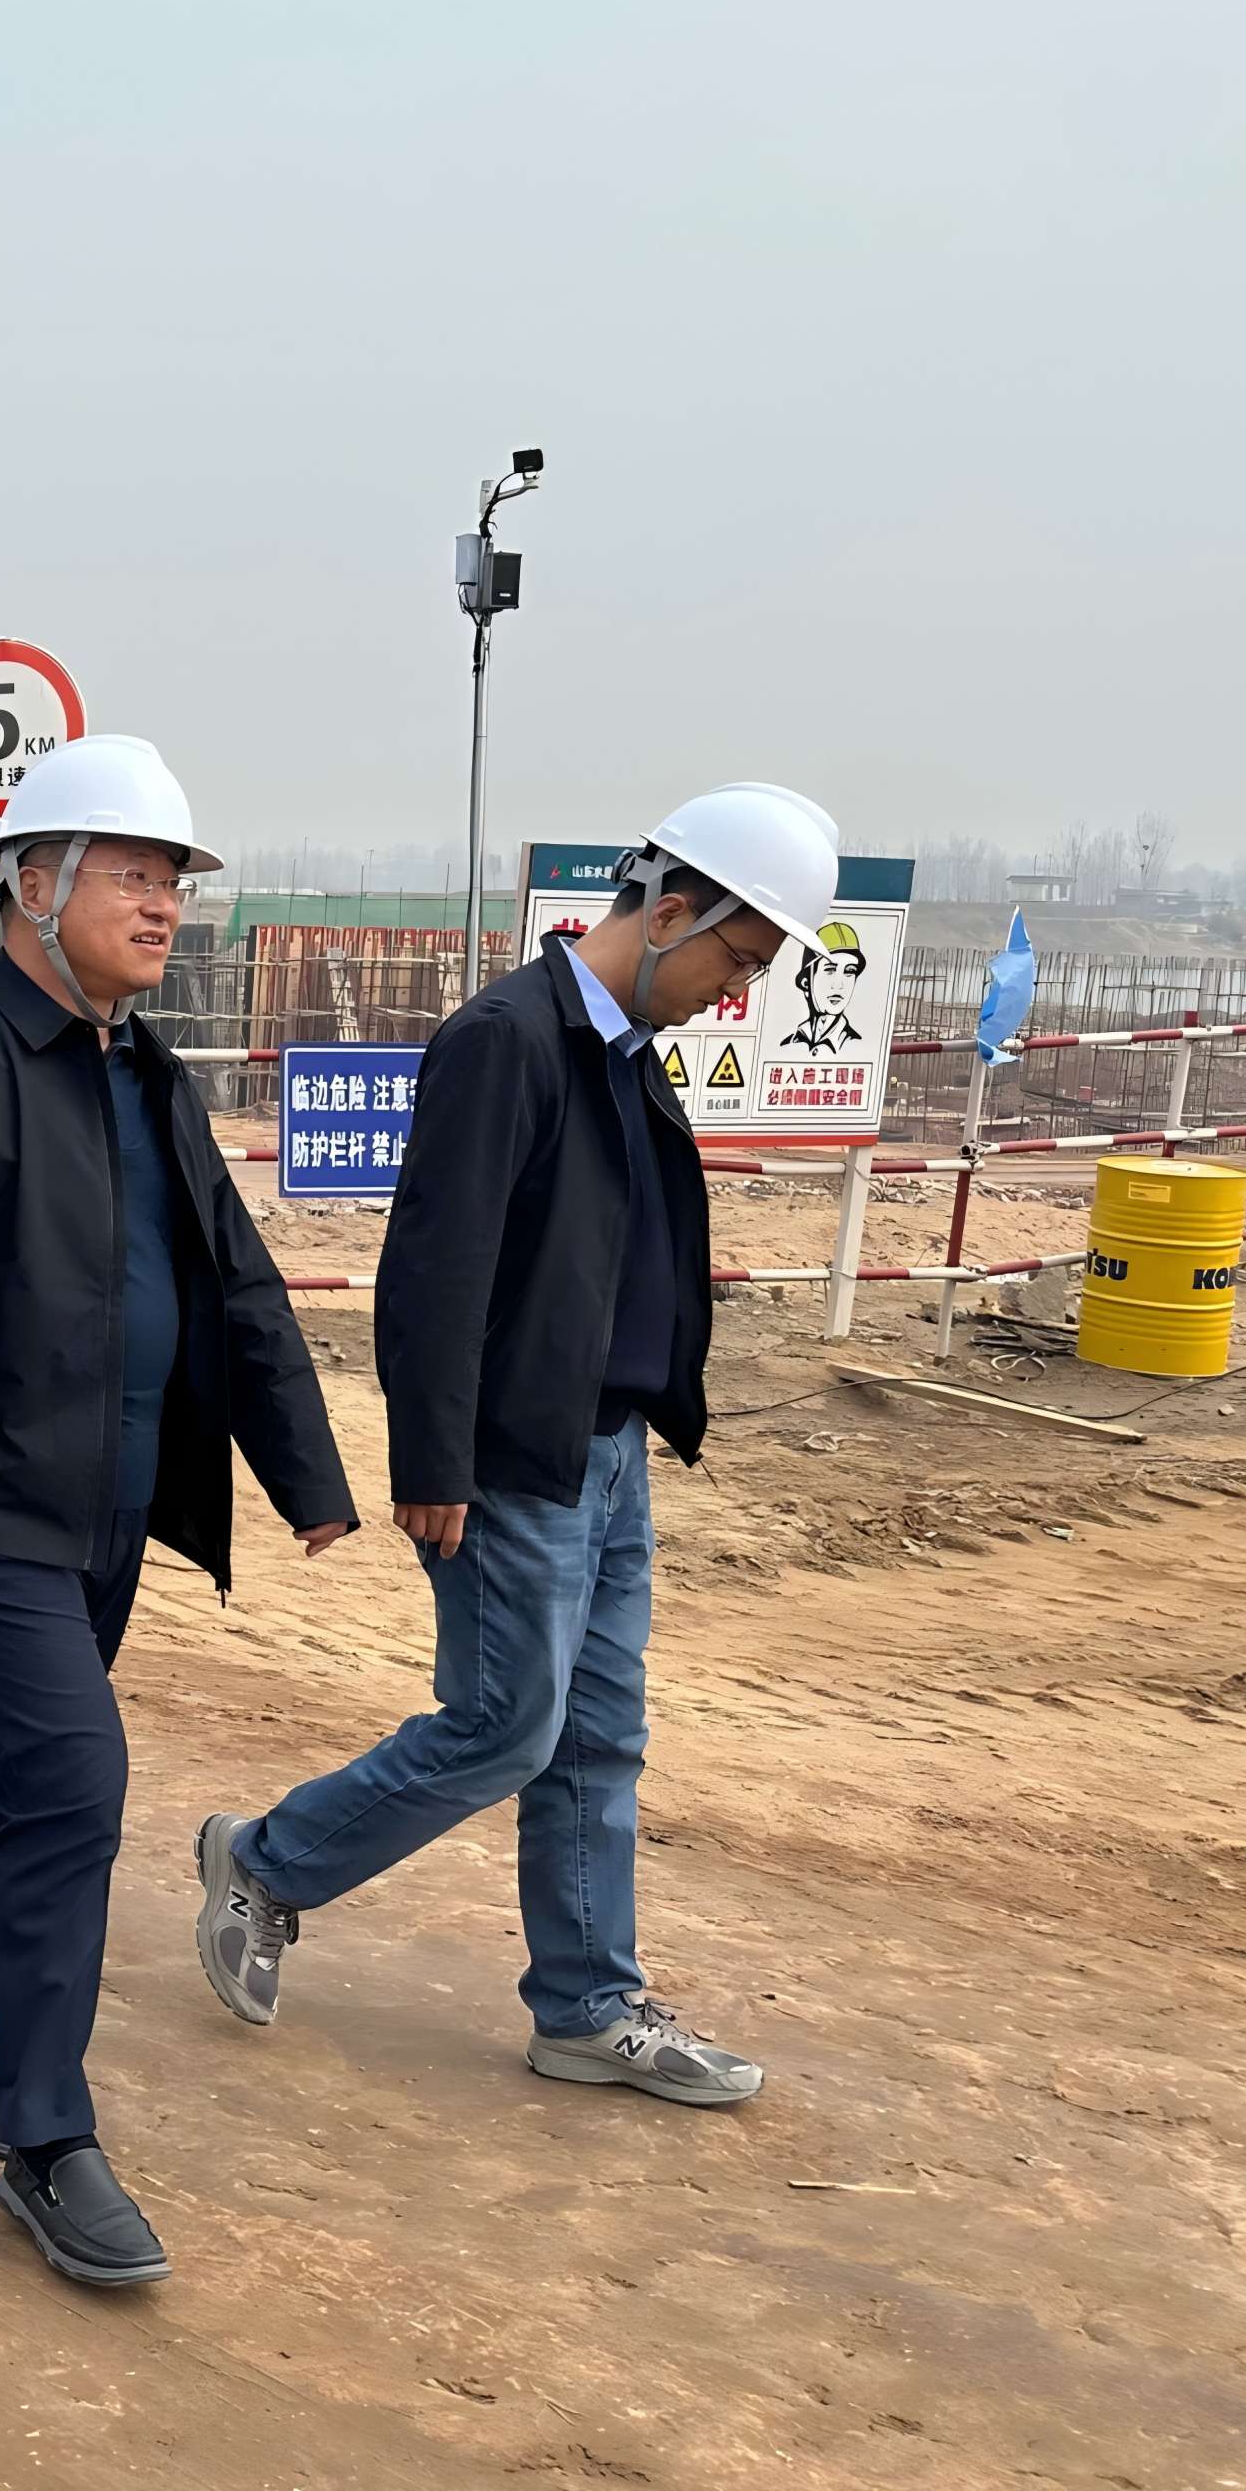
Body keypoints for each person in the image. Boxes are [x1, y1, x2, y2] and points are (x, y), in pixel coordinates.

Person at [195, 783, 843, 2109]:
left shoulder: (621, 1053)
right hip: (510, 1459)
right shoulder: (508, 1041)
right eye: (736, 958)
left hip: (606, 1453)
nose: (735, 991)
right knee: (507, 1726)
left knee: (599, 1735)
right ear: (671, 913)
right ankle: (267, 1861)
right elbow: (435, 1269)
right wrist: (433, 1460)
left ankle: (588, 2008)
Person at [0, 735, 357, 2291]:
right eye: (132, 873)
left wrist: (305, 1472)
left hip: (109, 1513)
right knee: (69, 1779)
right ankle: (48, 2138)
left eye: (175, 878)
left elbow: (236, 1283)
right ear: (32, 885)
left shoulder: (150, 1081)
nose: (165, 904)